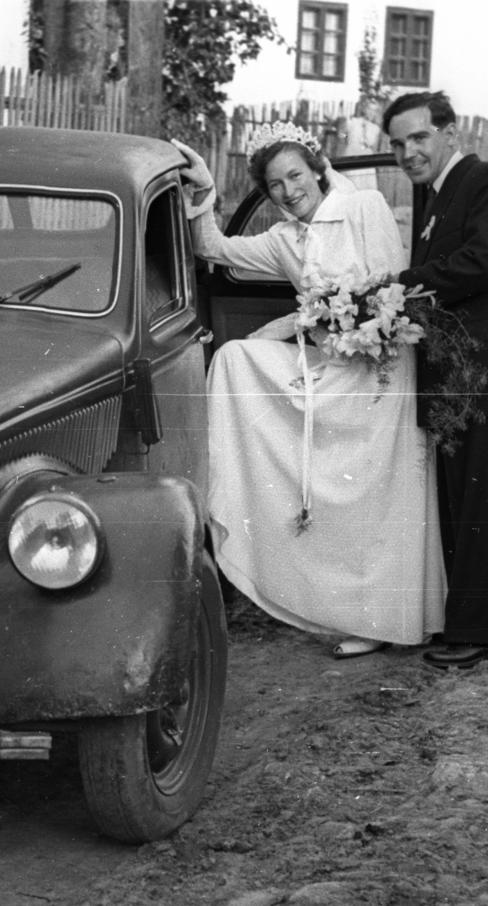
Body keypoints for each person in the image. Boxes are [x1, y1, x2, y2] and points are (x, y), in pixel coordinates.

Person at [171, 128, 445, 659]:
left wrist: (360, 324)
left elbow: (394, 288)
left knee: (380, 493)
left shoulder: (364, 206)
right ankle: (344, 606)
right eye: (274, 185)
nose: (288, 191)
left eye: (295, 175)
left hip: (384, 371)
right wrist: (202, 188)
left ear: (317, 170)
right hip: (331, 365)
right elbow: (214, 248)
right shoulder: (284, 240)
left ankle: (392, 616)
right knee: (233, 359)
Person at [383, 91, 488, 670]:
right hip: (456, 373)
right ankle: (481, 627)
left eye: (419, 138)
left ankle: (487, 631)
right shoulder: (433, 196)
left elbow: (486, 262)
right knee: (463, 504)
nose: (408, 152)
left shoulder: (487, 180)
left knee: (487, 502)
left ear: (450, 133)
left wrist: (401, 286)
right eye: (398, 144)